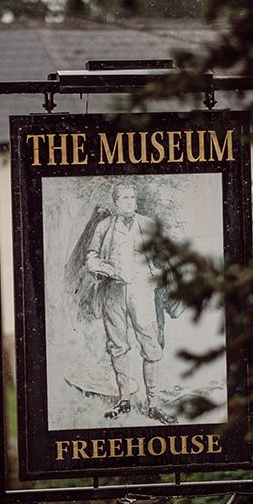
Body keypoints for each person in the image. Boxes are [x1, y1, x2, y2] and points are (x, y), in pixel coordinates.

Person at [86, 182, 177, 425]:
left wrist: (160, 270)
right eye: (124, 198)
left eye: (132, 197)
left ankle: (153, 405)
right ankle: (124, 400)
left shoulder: (147, 224)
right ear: (115, 202)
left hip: (142, 292)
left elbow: (164, 255)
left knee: (150, 345)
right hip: (113, 292)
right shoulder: (104, 226)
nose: (129, 202)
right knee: (117, 345)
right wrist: (105, 268)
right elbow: (91, 257)